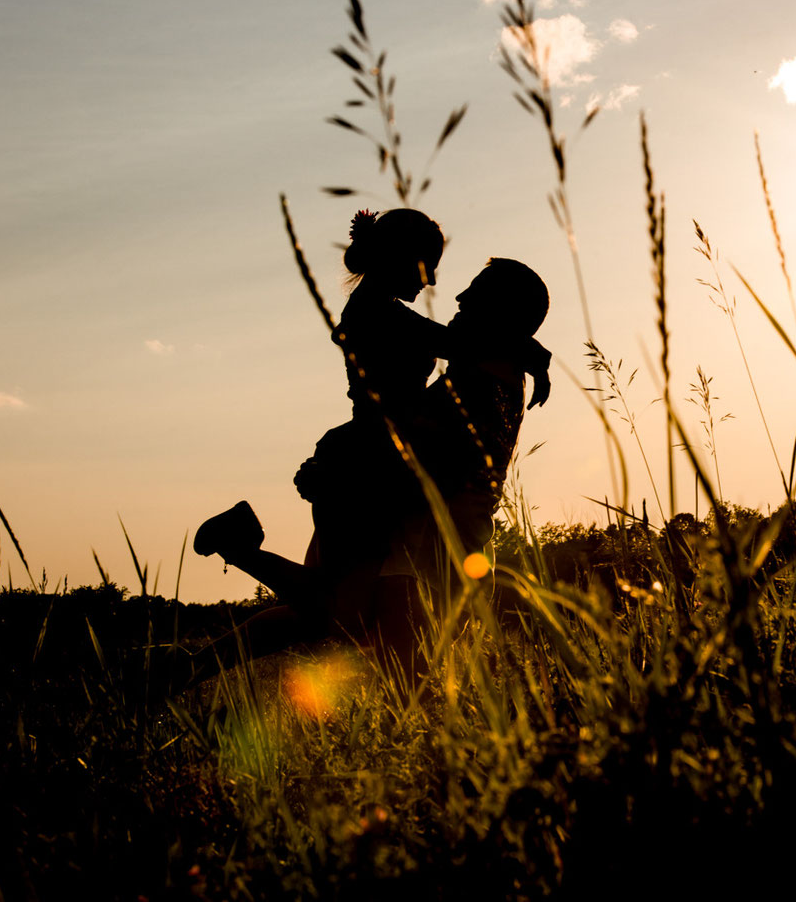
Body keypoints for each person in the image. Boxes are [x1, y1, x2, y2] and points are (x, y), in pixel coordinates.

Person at [178, 255, 551, 684]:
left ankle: (190, 652)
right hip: (413, 523)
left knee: (328, 618)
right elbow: (417, 433)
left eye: (476, 293)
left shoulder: (487, 375)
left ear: (502, 310)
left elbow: (439, 456)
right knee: (359, 636)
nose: (460, 296)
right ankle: (208, 620)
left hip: (433, 536)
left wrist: (344, 475)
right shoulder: (461, 353)